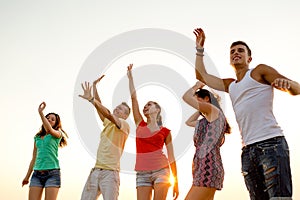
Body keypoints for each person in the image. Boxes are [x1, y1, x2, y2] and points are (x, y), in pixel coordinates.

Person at [193, 28, 300, 199]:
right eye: (232, 51)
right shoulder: (230, 85)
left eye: (240, 50)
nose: (236, 53)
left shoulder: (259, 71)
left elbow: (296, 88)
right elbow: (202, 76)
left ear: (249, 58)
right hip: (248, 152)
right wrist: (199, 50)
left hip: (271, 144)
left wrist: (287, 85)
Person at [127, 64, 179, 200]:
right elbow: (134, 99)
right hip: (142, 173)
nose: (145, 106)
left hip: (161, 171)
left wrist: (176, 181)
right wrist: (130, 78)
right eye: (145, 105)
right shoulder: (140, 124)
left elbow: (172, 157)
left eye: (149, 104)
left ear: (157, 109)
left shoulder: (166, 132)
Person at [79, 75, 131, 200]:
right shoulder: (108, 122)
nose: (117, 108)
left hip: (110, 173)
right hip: (96, 170)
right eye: (117, 107)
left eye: (121, 109)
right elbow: (100, 107)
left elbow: (107, 112)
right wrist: (95, 88)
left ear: (125, 115)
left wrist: (91, 99)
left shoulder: (124, 125)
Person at [182, 81, 231, 200]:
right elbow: (188, 122)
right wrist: (200, 110)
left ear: (206, 99)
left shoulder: (214, 111)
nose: (195, 104)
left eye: (197, 100)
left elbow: (186, 97)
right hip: (201, 167)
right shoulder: (205, 121)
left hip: (208, 167)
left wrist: (197, 86)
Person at [22, 102, 68, 200]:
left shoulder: (57, 134)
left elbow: (50, 130)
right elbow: (33, 158)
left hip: (52, 174)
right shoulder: (37, 138)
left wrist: (41, 113)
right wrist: (27, 177)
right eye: (48, 118)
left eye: (52, 119)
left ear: (56, 124)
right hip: (36, 174)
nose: (49, 120)